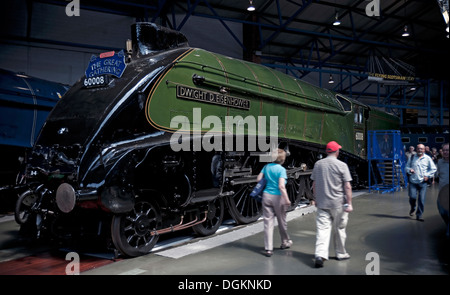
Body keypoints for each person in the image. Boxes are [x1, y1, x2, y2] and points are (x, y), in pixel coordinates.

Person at [310, 141, 353, 268]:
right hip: (339, 203)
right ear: (337, 151)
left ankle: (320, 255)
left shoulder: (318, 164)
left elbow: (314, 184)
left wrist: (316, 198)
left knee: (322, 229)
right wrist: (349, 203)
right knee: (339, 229)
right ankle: (340, 253)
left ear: (327, 151)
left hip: (323, 203)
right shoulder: (342, 165)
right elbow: (347, 186)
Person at [256, 148, 292, 257]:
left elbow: (258, 179)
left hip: (266, 196)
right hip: (278, 197)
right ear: (283, 160)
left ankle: (268, 249)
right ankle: (285, 242)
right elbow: (281, 186)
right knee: (282, 221)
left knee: (268, 223)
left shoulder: (266, 167)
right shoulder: (281, 170)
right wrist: (286, 199)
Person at [405, 144, 437, 221]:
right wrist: (409, 170)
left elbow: (433, 169)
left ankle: (419, 215)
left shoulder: (428, 158)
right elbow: (406, 167)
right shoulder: (412, 157)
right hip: (413, 182)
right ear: (416, 149)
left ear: (424, 150)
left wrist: (427, 176)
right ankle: (413, 208)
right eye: (419, 149)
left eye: (422, 149)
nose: (420, 150)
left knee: (421, 199)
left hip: (423, 182)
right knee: (412, 197)